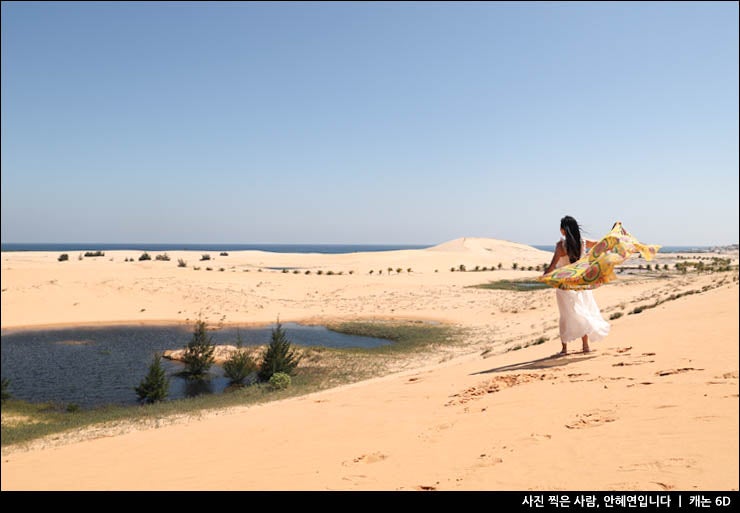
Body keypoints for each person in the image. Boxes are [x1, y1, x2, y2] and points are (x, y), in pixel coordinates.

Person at [543, 216, 610, 355]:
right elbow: (602, 245)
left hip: (564, 287)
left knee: (566, 316)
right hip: (581, 285)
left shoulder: (560, 246)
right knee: (583, 313)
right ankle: (585, 346)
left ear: (563, 230)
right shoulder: (583, 243)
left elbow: (552, 266)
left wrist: (544, 276)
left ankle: (564, 349)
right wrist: (613, 235)